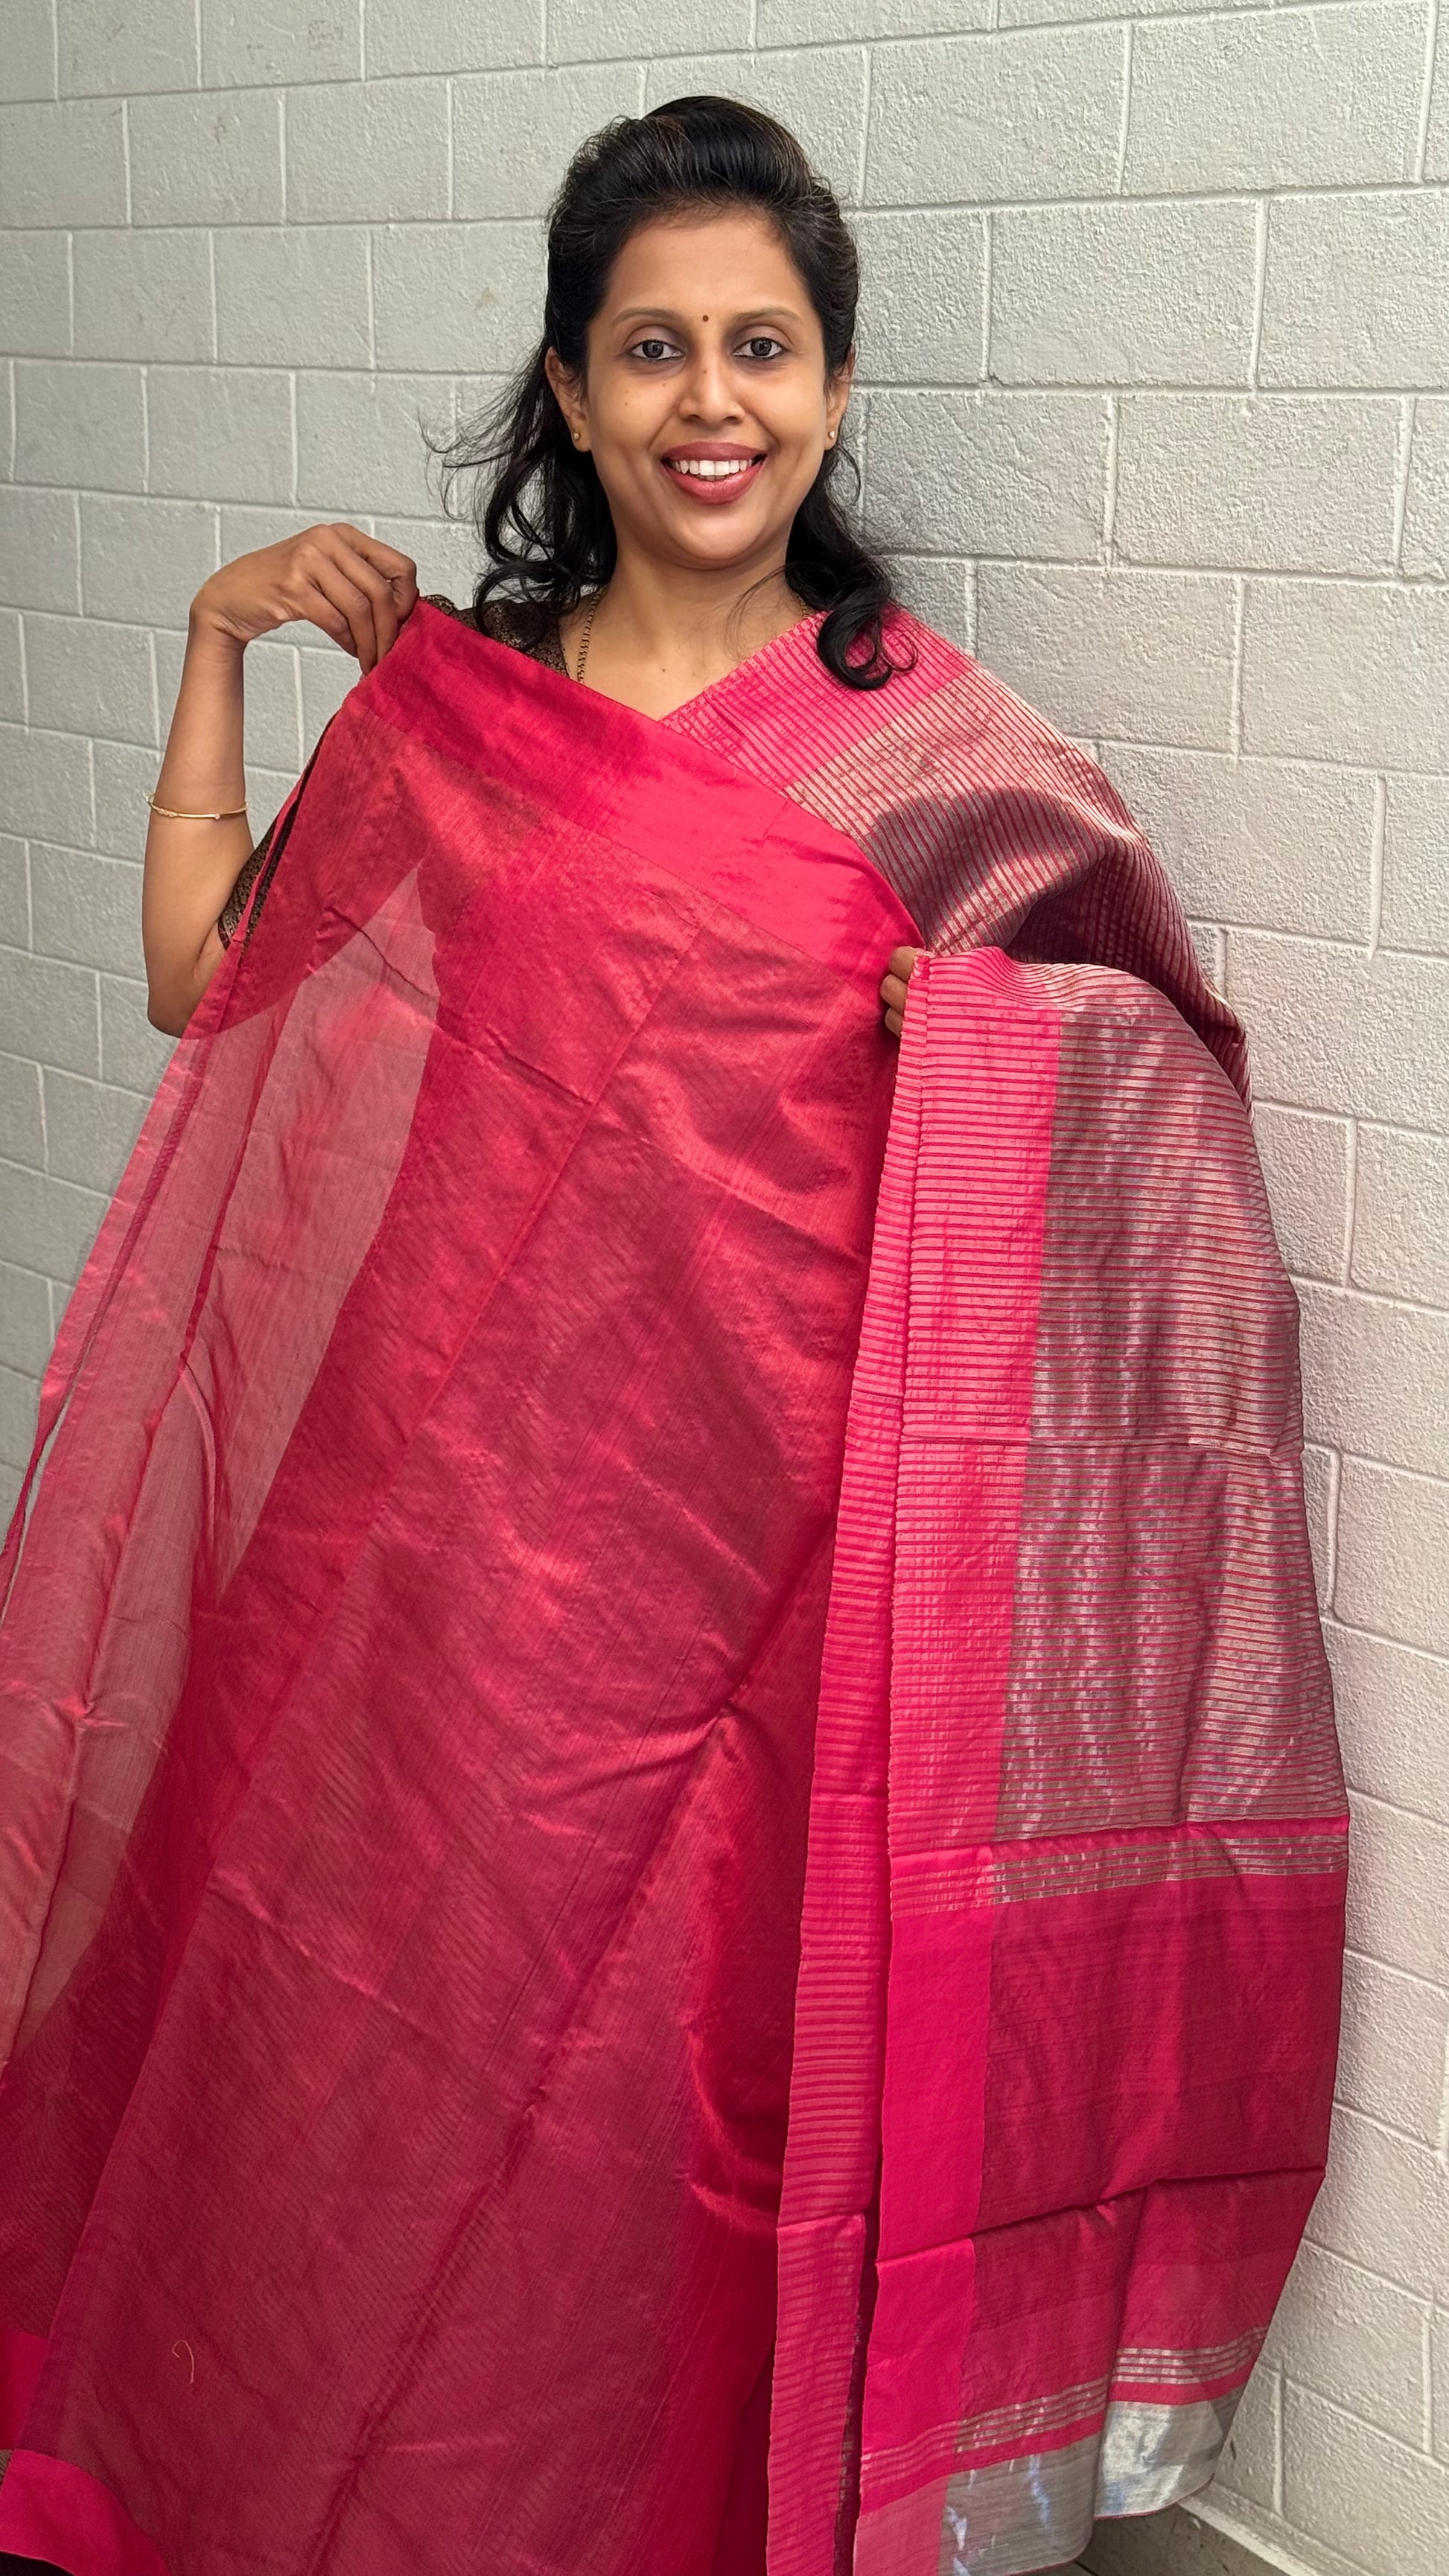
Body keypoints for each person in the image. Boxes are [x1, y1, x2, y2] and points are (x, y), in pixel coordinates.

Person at [0, 99, 1345, 2576]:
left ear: (831, 392)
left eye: (761, 347)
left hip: (738, 1583)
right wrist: (213, 644)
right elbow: (210, 983)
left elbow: (1156, 1098)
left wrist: (990, 1049)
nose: (709, 400)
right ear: (569, 387)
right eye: (651, 350)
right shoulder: (471, 716)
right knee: (357, 2037)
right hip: (421, 1527)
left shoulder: (944, 758)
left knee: (642, 2103)